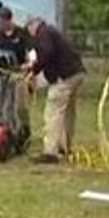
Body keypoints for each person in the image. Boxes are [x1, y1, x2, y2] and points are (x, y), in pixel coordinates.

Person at [23, 16, 86, 164]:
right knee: (68, 111)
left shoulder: (44, 33)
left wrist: (34, 70)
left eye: (29, 29)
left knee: (53, 112)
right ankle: (65, 146)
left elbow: (46, 53)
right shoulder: (52, 32)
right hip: (76, 73)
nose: (30, 33)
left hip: (63, 76)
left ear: (34, 24)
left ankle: (51, 152)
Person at [0, 7, 32, 138]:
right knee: (1, 99)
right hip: (2, 72)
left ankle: (17, 130)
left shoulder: (21, 33)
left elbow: (31, 51)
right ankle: (0, 125)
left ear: (9, 20)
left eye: (2, 21)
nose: (0, 24)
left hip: (18, 73)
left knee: (15, 104)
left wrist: (30, 64)